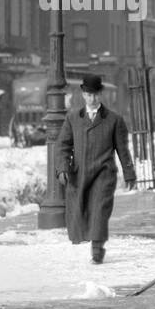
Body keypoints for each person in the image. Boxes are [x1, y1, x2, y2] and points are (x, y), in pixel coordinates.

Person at [56, 74, 136, 264]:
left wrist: (129, 173)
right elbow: (63, 146)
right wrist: (62, 168)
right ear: (83, 95)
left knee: (100, 210)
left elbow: (123, 150)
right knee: (81, 210)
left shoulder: (114, 120)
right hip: (80, 173)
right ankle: (89, 239)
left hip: (104, 173)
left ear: (101, 94)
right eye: (89, 95)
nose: (92, 99)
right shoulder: (73, 118)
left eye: (96, 95)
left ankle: (97, 247)